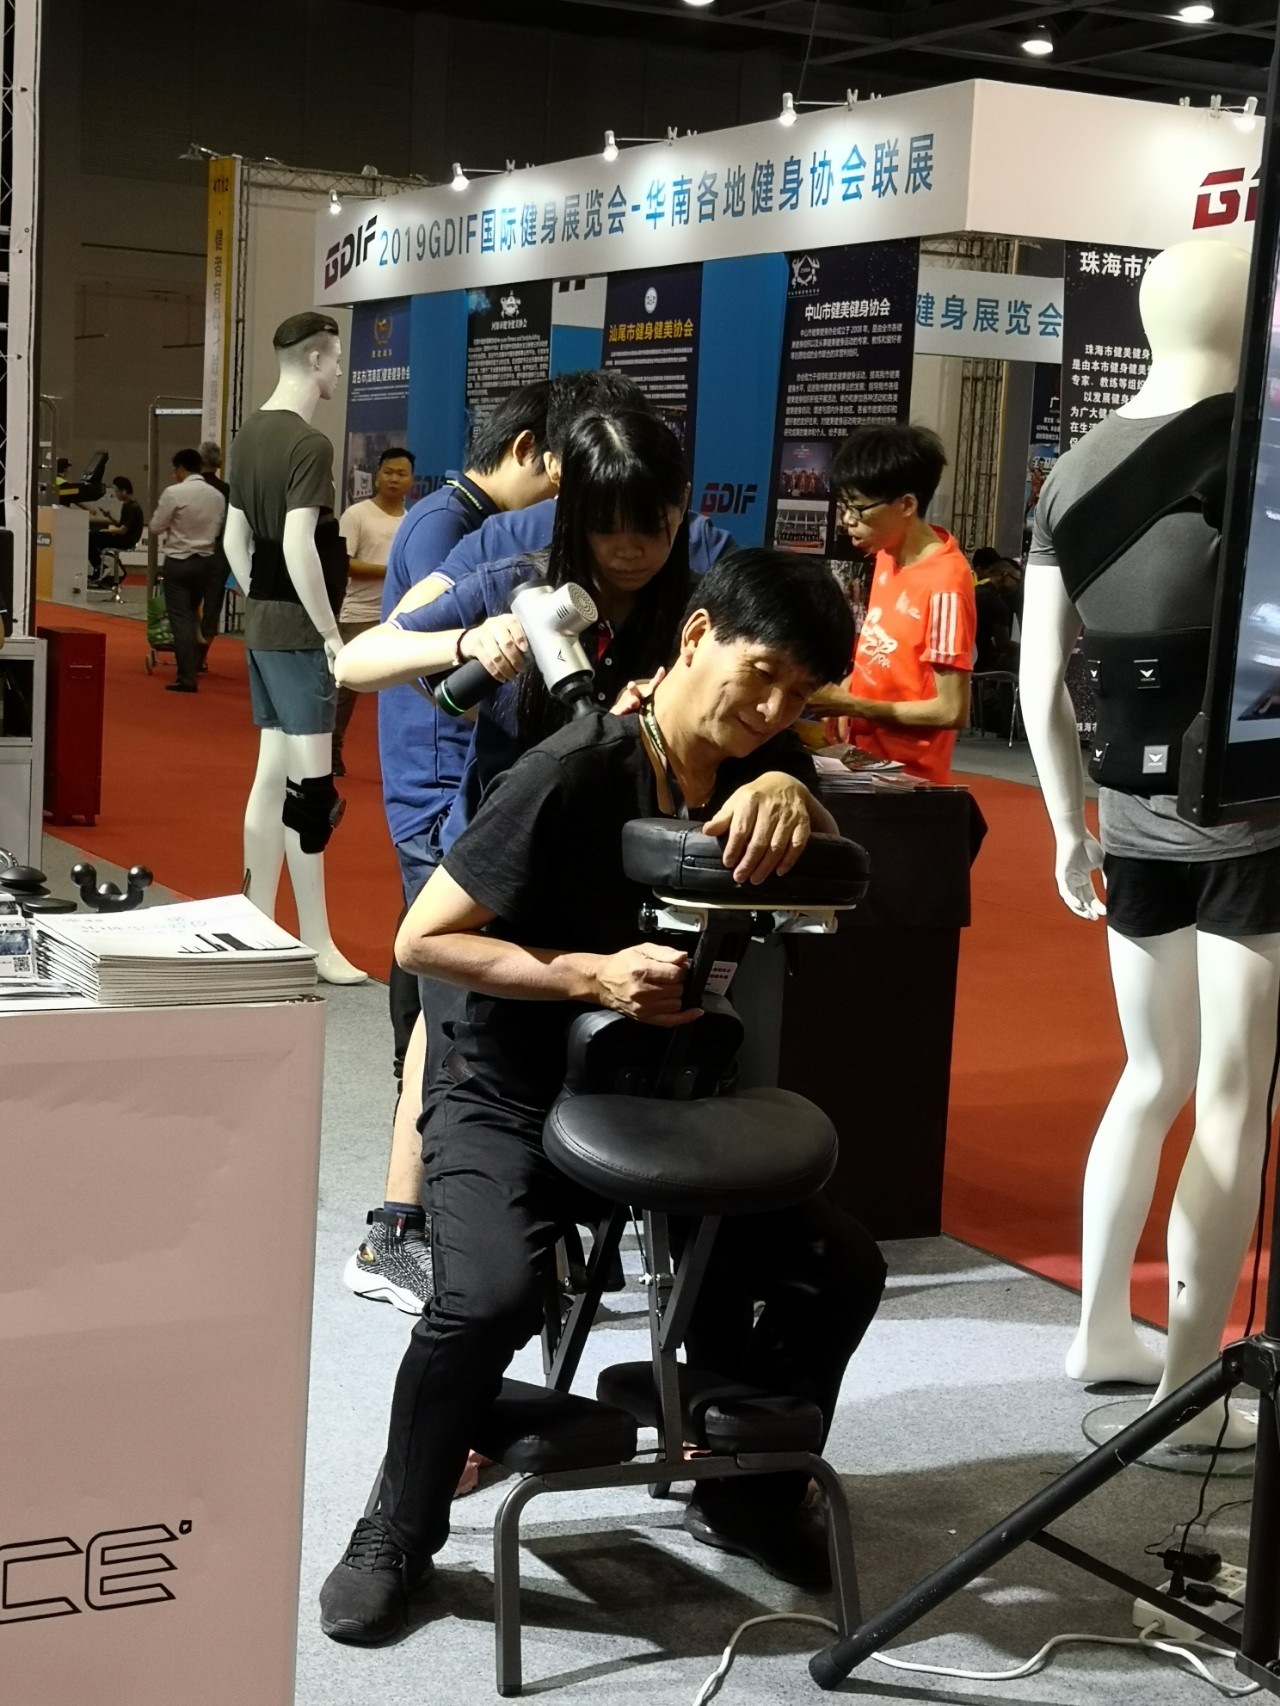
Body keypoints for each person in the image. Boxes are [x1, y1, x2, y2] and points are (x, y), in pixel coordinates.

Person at [319, 549, 887, 1643]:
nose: (773, 710)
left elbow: (809, 813)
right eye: (760, 675)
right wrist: (590, 974)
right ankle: (396, 1525)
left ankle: (748, 1490)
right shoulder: (572, 770)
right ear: (696, 636)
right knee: (485, 1299)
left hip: (662, 1097)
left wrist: (792, 784)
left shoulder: (767, 764)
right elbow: (421, 942)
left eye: (800, 695)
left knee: (840, 1267)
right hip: (507, 1087)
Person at [341, 382, 554, 1314]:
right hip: (442, 791)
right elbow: (390, 653)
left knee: (444, 1012)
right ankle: (401, 1230)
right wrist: (478, 639)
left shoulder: (457, 520)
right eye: (565, 476)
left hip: (456, 790)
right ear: (529, 449)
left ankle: (418, 1223)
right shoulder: (454, 529)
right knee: (452, 1013)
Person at [222, 308, 366, 985]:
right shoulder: (310, 444)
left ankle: (255, 923)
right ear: (315, 358)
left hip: (264, 628)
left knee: (270, 773)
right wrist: (331, 635)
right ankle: (316, 944)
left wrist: (262, 597)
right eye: (335, 358)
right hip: (302, 636)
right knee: (309, 794)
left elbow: (235, 538)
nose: (339, 369)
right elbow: (299, 543)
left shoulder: (249, 432)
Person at [809, 424, 977, 784]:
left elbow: (951, 710)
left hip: (907, 779)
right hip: (861, 761)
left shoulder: (946, 584)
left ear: (906, 505)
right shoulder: (886, 556)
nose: (847, 521)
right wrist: (848, 689)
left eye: (858, 509)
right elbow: (883, 655)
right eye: (844, 506)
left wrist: (854, 706)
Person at [331, 447, 416, 776]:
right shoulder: (356, 515)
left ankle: (401, 758)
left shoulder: (413, 520)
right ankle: (331, 749)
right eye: (389, 472)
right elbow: (345, 564)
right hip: (359, 614)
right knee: (345, 687)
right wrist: (391, 572)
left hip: (401, 617)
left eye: (401, 473)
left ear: (411, 480)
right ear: (377, 475)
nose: (394, 479)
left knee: (403, 693)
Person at [151, 448, 227, 694]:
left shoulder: (174, 493)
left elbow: (155, 526)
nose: (174, 474)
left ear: (181, 468)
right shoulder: (217, 496)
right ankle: (199, 647)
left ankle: (187, 677)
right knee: (193, 613)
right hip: (206, 562)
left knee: (181, 619)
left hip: (179, 561)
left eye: (175, 470)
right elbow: (218, 529)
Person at [197, 441, 231, 668]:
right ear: (219, 463)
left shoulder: (192, 488)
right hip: (218, 552)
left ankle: (189, 649)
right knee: (212, 604)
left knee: (188, 601)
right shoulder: (226, 490)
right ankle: (202, 656)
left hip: (193, 551)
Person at [87, 476, 144, 585]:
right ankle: (100, 567)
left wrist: (106, 531)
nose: (115, 494)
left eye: (117, 491)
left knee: (91, 538)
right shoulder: (128, 505)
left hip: (126, 540)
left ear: (124, 491)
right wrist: (109, 517)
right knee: (94, 538)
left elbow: (122, 530)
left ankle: (100, 567)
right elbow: (121, 525)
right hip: (125, 538)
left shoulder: (132, 507)